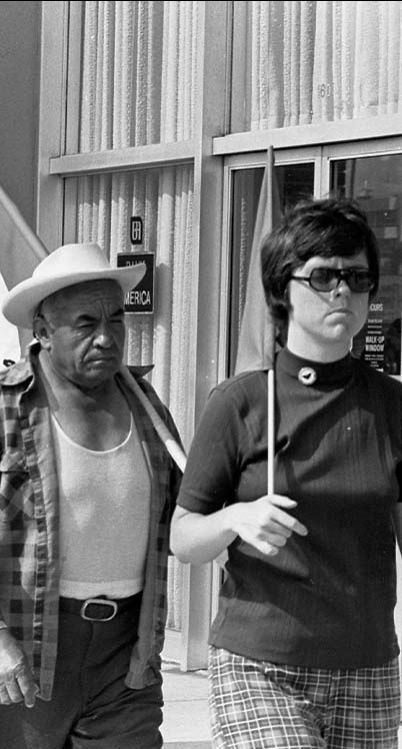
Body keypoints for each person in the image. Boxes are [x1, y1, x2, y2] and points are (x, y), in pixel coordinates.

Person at [0, 242, 182, 748]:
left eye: (116, 320)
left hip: (125, 655)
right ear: (42, 331)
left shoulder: (147, 405)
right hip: (23, 646)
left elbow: (182, 514)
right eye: (86, 323)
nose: (107, 337)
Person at [171, 198, 402, 747]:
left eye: (357, 277)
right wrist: (236, 517)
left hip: (366, 666)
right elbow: (184, 537)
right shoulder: (240, 403)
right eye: (323, 276)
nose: (342, 290)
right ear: (282, 290)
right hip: (261, 664)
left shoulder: (391, 406)